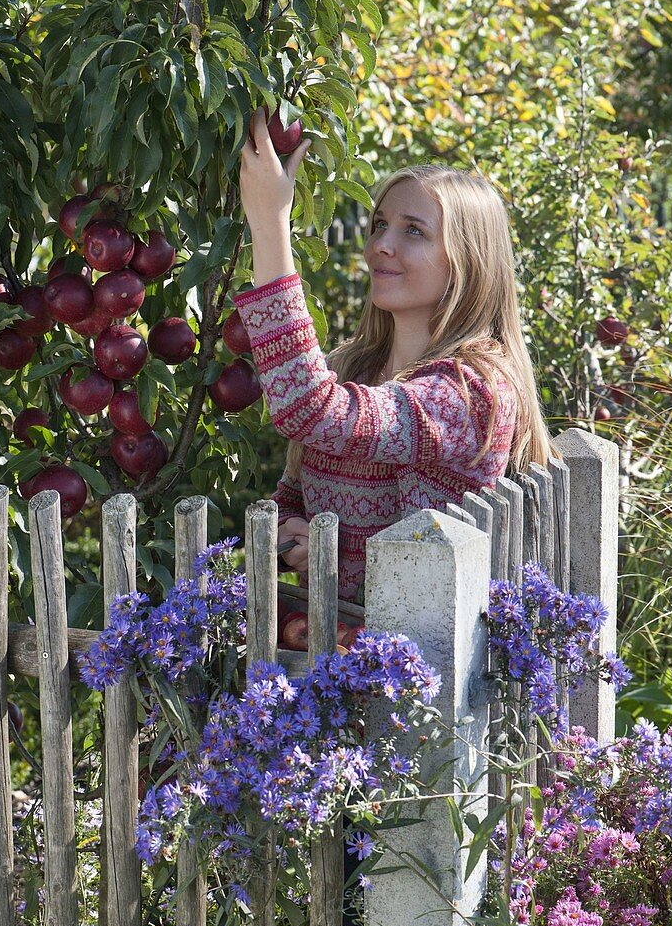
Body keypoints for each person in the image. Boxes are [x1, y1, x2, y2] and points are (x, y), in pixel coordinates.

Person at [233, 109, 560, 603]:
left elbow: (308, 408)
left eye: (413, 231)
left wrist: (269, 222)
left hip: (419, 672)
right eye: (380, 224)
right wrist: (294, 535)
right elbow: (291, 496)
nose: (381, 245)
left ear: (466, 263)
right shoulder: (353, 369)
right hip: (330, 655)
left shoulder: (474, 392)